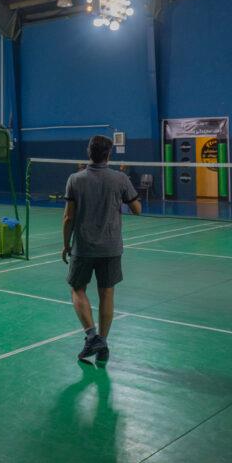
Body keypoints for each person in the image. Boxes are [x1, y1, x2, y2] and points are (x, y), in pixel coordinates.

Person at [62, 135, 141, 364]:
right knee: (107, 293)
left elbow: (68, 217)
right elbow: (137, 209)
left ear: (89, 152)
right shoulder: (120, 179)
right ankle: (102, 341)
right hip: (111, 247)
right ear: (109, 154)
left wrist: (66, 244)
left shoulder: (75, 180)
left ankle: (91, 336)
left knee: (77, 289)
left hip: (83, 247)